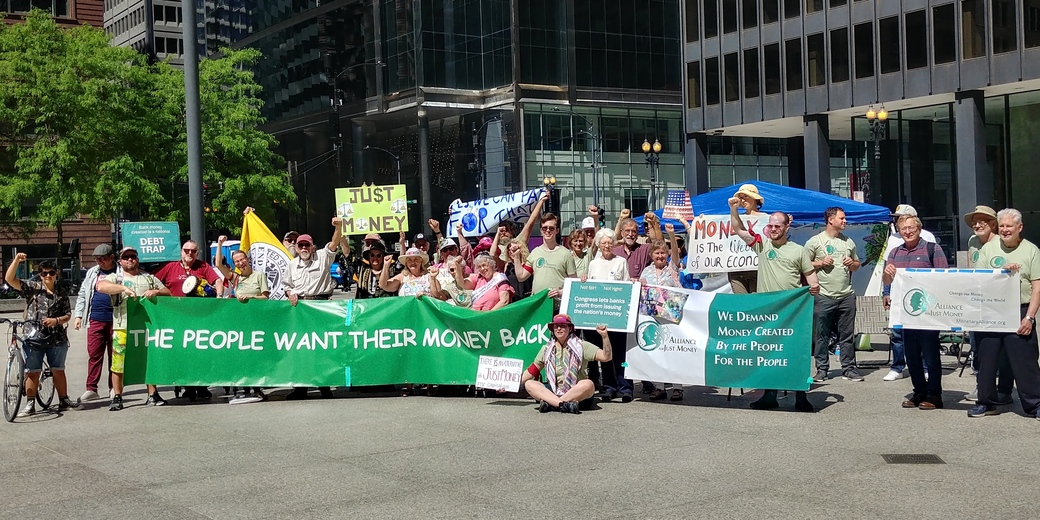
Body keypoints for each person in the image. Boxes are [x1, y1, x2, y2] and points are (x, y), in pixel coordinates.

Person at [730, 204, 821, 412]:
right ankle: (769, 395)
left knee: (796, 353)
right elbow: (738, 229)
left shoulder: (799, 251)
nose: (773, 229)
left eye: (777, 226)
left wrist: (814, 286)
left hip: (793, 311)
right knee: (768, 353)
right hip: (768, 311)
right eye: (770, 226)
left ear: (787, 227)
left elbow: (810, 276)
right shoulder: (762, 245)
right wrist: (733, 210)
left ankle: (801, 395)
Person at [970, 208, 1040, 419]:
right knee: (987, 359)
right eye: (1002, 226)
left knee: (1025, 361)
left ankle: (1034, 404)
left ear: (1020, 228)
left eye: (1009, 226)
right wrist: (1002, 274)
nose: (1005, 230)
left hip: (1020, 309)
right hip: (992, 309)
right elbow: (978, 280)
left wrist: (1029, 317)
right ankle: (985, 402)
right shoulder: (988, 249)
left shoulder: (1031, 251)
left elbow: (1037, 287)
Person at [882, 215, 949, 410]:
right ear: (899, 231)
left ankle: (934, 395)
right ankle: (919, 391)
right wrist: (888, 276)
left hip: (928, 313)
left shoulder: (932, 248)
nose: (908, 231)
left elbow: (944, 277)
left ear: (919, 229)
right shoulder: (895, 252)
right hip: (905, 313)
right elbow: (887, 281)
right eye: (904, 229)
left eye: (911, 228)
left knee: (930, 355)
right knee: (910, 355)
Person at [95, 247, 172, 410]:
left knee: (148, 361)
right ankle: (117, 396)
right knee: (118, 364)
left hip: (146, 328)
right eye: (126, 257)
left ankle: (152, 394)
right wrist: (124, 289)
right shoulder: (116, 277)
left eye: (133, 257)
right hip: (122, 327)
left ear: (137, 259)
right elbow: (101, 286)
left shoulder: (149, 277)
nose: (130, 260)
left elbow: (168, 292)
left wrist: (156, 291)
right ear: (120, 261)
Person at [5, 256, 80, 416]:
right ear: (40, 275)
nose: (48, 276)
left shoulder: (61, 291)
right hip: (33, 337)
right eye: (44, 273)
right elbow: (9, 279)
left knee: (58, 370)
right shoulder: (33, 287)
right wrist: (17, 261)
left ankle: (63, 400)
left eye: (51, 273)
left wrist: (56, 320)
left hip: (57, 338)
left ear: (56, 273)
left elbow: (67, 314)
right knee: (32, 371)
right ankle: (30, 404)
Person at [282, 217, 346, 400]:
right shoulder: (292, 265)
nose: (303, 248)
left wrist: (338, 227)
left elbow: (334, 243)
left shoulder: (322, 257)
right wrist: (290, 293)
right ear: (296, 247)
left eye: (307, 245)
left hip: (320, 307)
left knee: (322, 348)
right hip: (300, 308)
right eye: (300, 245)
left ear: (312, 247)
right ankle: (300, 388)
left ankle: (324, 386)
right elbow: (286, 284)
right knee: (300, 349)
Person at [154, 239, 223, 401]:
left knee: (199, 350)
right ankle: (188, 385)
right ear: (181, 252)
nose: (189, 253)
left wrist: (219, 297)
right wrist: (155, 292)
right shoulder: (170, 267)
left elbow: (218, 281)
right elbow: (154, 281)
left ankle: (201, 385)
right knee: (182, 352)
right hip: (176, 317)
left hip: (199, 317)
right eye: (186, 250)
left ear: (197, 253)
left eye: (193, 251)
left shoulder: (203, 266)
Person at [879, 205, 937, 382]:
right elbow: (887, 269)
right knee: (898, 334)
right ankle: (898, 367)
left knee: (924, 337)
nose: (905, 229)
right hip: (899, 296)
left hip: (923, 299)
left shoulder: (928, 240)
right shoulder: (893, 242)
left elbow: (941, 274)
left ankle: (926, 368)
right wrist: (886, 292)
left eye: (907, 223)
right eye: (899, 223)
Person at [805, 206, 863, 382]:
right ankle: (822, 369)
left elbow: (857, 264)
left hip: (846, 295)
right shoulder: (815, 241)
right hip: (824, 295)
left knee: (847, 335)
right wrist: (820, 262)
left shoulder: (848, 242)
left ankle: (848, 368)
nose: (845, 221)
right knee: (821, 335)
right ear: (831, 220)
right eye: (842, 218)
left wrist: (851, 262)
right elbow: (803, 263)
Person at [963, 205, 1013, 403]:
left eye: (982, 221)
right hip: (978, 301)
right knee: (978, 346)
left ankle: (1005, 390)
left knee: (1003, 349)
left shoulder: (1003, 242)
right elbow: (970, 268)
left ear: (994, 223)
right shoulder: (972, 241)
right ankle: (982, 386)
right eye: (975, 221)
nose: (977, 224)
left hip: (1001, 302)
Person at [522, 315, 612, 414]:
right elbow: (533, 370)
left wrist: (605, 336)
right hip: (554, 391)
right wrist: (510, 384)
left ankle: (552, 404)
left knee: (588, 384)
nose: (559, 328)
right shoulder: (546, 348)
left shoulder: (581, 346)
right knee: (529, 384)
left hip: (577, 395)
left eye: (563, 326)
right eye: (556, 326)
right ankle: (562, 405)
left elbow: (606, 357)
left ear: (570, 329)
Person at [638, 225, 685, 402]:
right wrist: (640, 282)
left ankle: (678, 387)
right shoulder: (647, 270)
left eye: (662, 253)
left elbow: (675, 252)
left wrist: (671, 234)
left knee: (674, 350)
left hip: (671, 315)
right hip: (652, 316)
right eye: (657, 253)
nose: (660, 256)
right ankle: (659, 387)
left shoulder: (672, 268)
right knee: (657, 350)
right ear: (651, 255)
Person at [584, 230, 632, 402]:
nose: (606, 245)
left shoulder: (621, 261)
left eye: (609, 242)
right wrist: (584, 281)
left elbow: (627, 286)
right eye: (603, 243)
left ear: (614, 244)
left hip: (617, 315)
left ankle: (625, 387)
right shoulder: (593, 264)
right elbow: (589, 287)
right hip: (600, 316)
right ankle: (609, 387)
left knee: (621, 355)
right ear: (598, 244)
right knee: (605, 353)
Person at [72, 244, 118, 402]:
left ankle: (114, 388)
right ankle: (91, 388)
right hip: (95, 318)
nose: (99, 262)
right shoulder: (93, 272)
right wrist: (78, 315)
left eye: (103, 259)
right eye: (97, 259)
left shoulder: (121, 273)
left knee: (115, 355)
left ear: (112, 257)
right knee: (94, 355)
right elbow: (83, 294)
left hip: (116, 319)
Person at [512, 212, 576, 312]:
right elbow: (521, 277)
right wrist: (516, 257)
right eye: (544, 228)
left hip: (557, 308)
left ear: (557, 230)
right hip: (538, 307)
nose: (548, 231)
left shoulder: (566, 254)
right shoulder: (535, 252)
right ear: (541, 231)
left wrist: (560, 292)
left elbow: (574, 284)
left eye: (551, 228)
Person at [728, 184, 767, 294]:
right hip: (737, 267)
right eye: (740, 197)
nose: (743, 200)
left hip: (758, 268)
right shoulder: (732, 217)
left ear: (755, 198)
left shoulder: (767, 219)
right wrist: (704, 221)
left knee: (756, 301)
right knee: (741, 302)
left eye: (746, 196)